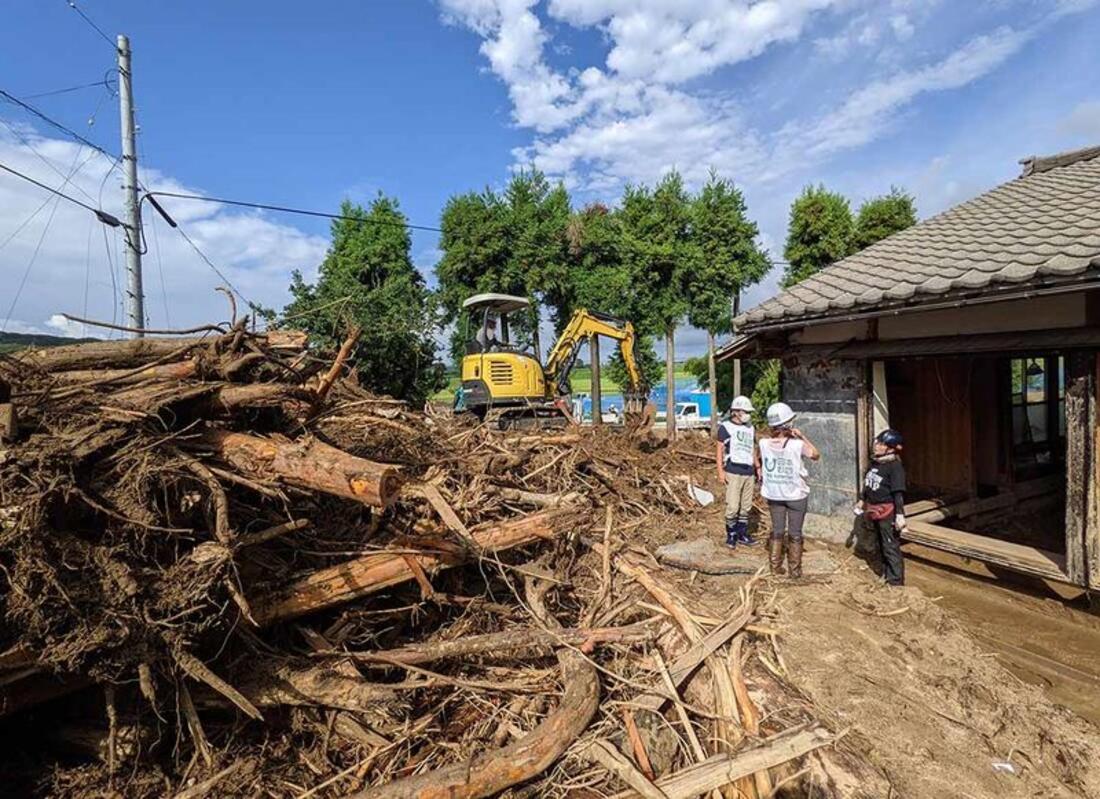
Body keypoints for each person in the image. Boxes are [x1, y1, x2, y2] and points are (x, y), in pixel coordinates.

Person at [756, 402, 820, 577]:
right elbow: (815, 454)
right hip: (795, 495)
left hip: (774, 494)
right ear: (788, 425)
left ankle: (775, 567)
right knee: (795, 532)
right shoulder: (796, 445)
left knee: (777, 530)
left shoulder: (763, 443)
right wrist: (801, 436)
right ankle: (795, 570)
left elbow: (759, 459)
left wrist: (760, 470)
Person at [855, 429, 907, 586]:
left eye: (881, 444)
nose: (876, 445)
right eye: (877, 442)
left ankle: (896, 581)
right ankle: (885, 573)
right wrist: (861, 501)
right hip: (874, 509)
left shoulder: (895, 467)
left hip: (887, 512)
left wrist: (900, 515)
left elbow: (898, 493)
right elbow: (868, 484)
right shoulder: (875, 463)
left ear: (890, 449)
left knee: (890, 546)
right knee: (879, 544)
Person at [716, 395, 758, 548]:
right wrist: (720, 471)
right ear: (736, 412)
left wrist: (757, 467)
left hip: (749, 471)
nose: (748, 414)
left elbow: (753, 449)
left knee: (745, 506)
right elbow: (719, 450)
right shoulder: (725, 427)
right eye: (745, 411)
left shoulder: (751, 428)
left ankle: (742, 533)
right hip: (733, 470)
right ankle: (731, 534)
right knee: (733, 506)